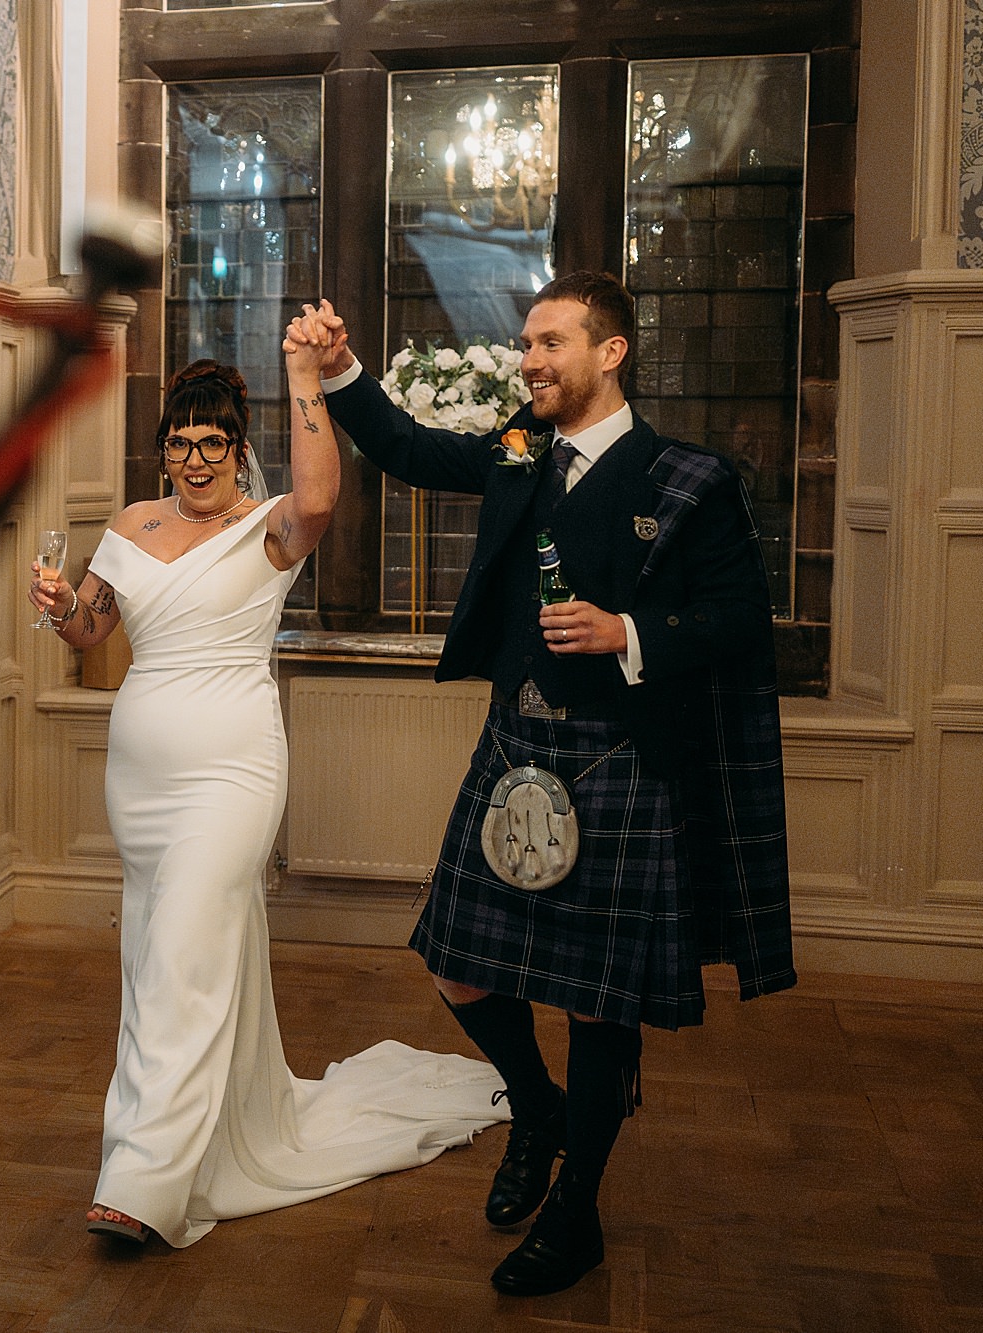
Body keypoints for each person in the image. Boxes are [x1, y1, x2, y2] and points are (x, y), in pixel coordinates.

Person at [287, 277, 794, 1295]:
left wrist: (626, 632)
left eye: (550, 342)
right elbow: (411, 451)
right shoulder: (521, 449)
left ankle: (577, 1208)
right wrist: (337, 368)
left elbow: (741, 615)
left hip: (622, 760)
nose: (528, 360)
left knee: (598, 1008)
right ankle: (535, 1105)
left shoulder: (685, 477)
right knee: (456, 965)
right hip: (514, 743)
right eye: (525, 343)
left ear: (610, 352)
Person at [27, 338, 510, 1249]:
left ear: (238, 448)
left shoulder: (270, 530)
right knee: (162, 956)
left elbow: (322, 497)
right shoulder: (132, 526)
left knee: (180, 956)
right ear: (162, 451)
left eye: (212, 442)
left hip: (233, 773)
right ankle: (225, 1129)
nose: (195, 459)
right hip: (141, 784)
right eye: (180, 443)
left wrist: (305, 379)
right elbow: (92, 629)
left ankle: (142, 1179)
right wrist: (59, 607)